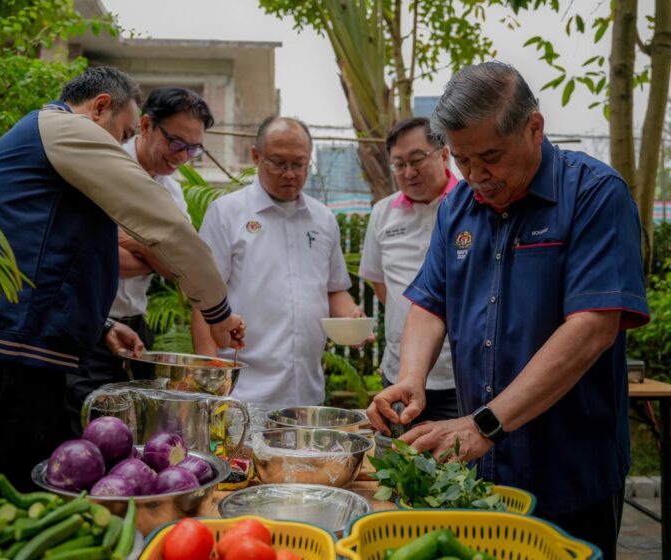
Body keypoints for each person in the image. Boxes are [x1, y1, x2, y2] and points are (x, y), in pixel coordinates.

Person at [366, 61, 649, 559]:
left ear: (533, 127)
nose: (476, 176)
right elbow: (430, 304)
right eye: (461, 160)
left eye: (490, 157)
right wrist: (411, 378)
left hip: (570, 470)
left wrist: (484, 424)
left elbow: (591, 329)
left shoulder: (594, 195)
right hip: (480, 473)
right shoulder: (460, 207)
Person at [0, 66, 245, 495]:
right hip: (0, 372)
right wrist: (217, 311)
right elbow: (165, 226)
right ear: (98, 108)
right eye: (124, 133)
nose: (121, 148)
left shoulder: (39, 148)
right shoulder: (64, 129)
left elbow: (35, 262)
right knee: (11, 514)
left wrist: (103, 326)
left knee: (16, 509)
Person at [191, 116, 364, 409]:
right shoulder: (226, 213)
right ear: (256, 156)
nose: (289, 174)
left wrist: (352, 319)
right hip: (240, 395)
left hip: (307, 393)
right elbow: (203, 301)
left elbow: (334, 289)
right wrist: (211, 390)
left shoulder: (323, 219)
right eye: (278, 163)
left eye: (299, 165)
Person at [66, 86, 212, 432]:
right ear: (146, 125)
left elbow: (177, 264)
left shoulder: (171, 191)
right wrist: (153, 248)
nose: (183, 155)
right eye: (177, 142)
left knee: (133, 433)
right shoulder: (103, 166)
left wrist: (132, 243)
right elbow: (84, 254)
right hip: (90, 325)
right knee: (83, 432)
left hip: (136, 329)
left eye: (194, 148)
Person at [359, 117, 458, 425]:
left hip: (460, 378)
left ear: (443, 155)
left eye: (417, 160)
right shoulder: (383, 213)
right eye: (399, 165)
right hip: (399, 375)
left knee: (458, 469)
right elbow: (379, 281)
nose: (409, 173)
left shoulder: (472, 205)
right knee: (398, 463)